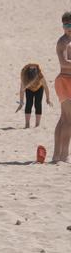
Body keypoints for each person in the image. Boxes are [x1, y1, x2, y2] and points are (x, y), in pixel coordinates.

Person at [52, 12, 71, 163]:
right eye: (66, 25)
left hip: (67, 81)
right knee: (69, 120)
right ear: (63, 26)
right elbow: (64, 62)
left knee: (63, 119)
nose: (69, 28)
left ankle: (56, 156)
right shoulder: (63, 42)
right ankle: (64, 155)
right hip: (64, 80)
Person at [17, 63, 52, 129]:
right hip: (29, 89)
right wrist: (21, 103)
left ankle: (37, 124)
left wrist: (48, 99)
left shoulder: (40, 75)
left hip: (39, 88)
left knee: (38, 104)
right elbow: (22, 90)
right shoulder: (24, 75)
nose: (32, 83)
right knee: (29, 104)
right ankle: (27, 124)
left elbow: (46, 87)